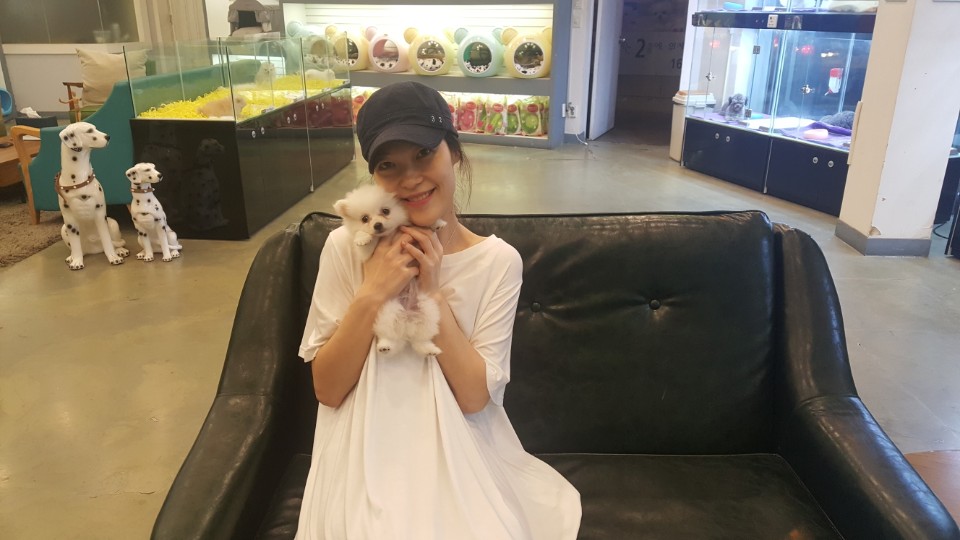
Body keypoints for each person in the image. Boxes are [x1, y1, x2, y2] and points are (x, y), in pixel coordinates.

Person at [296, 81, 581, 539]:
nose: (410, 178)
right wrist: (374, 291)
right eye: (389, 165)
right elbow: (327, 389)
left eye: (424, 154)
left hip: (463, 451)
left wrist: (431, 292)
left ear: (455, 153)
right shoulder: (345, 247)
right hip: (360, 449)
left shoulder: (497, 262)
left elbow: (473, 398)